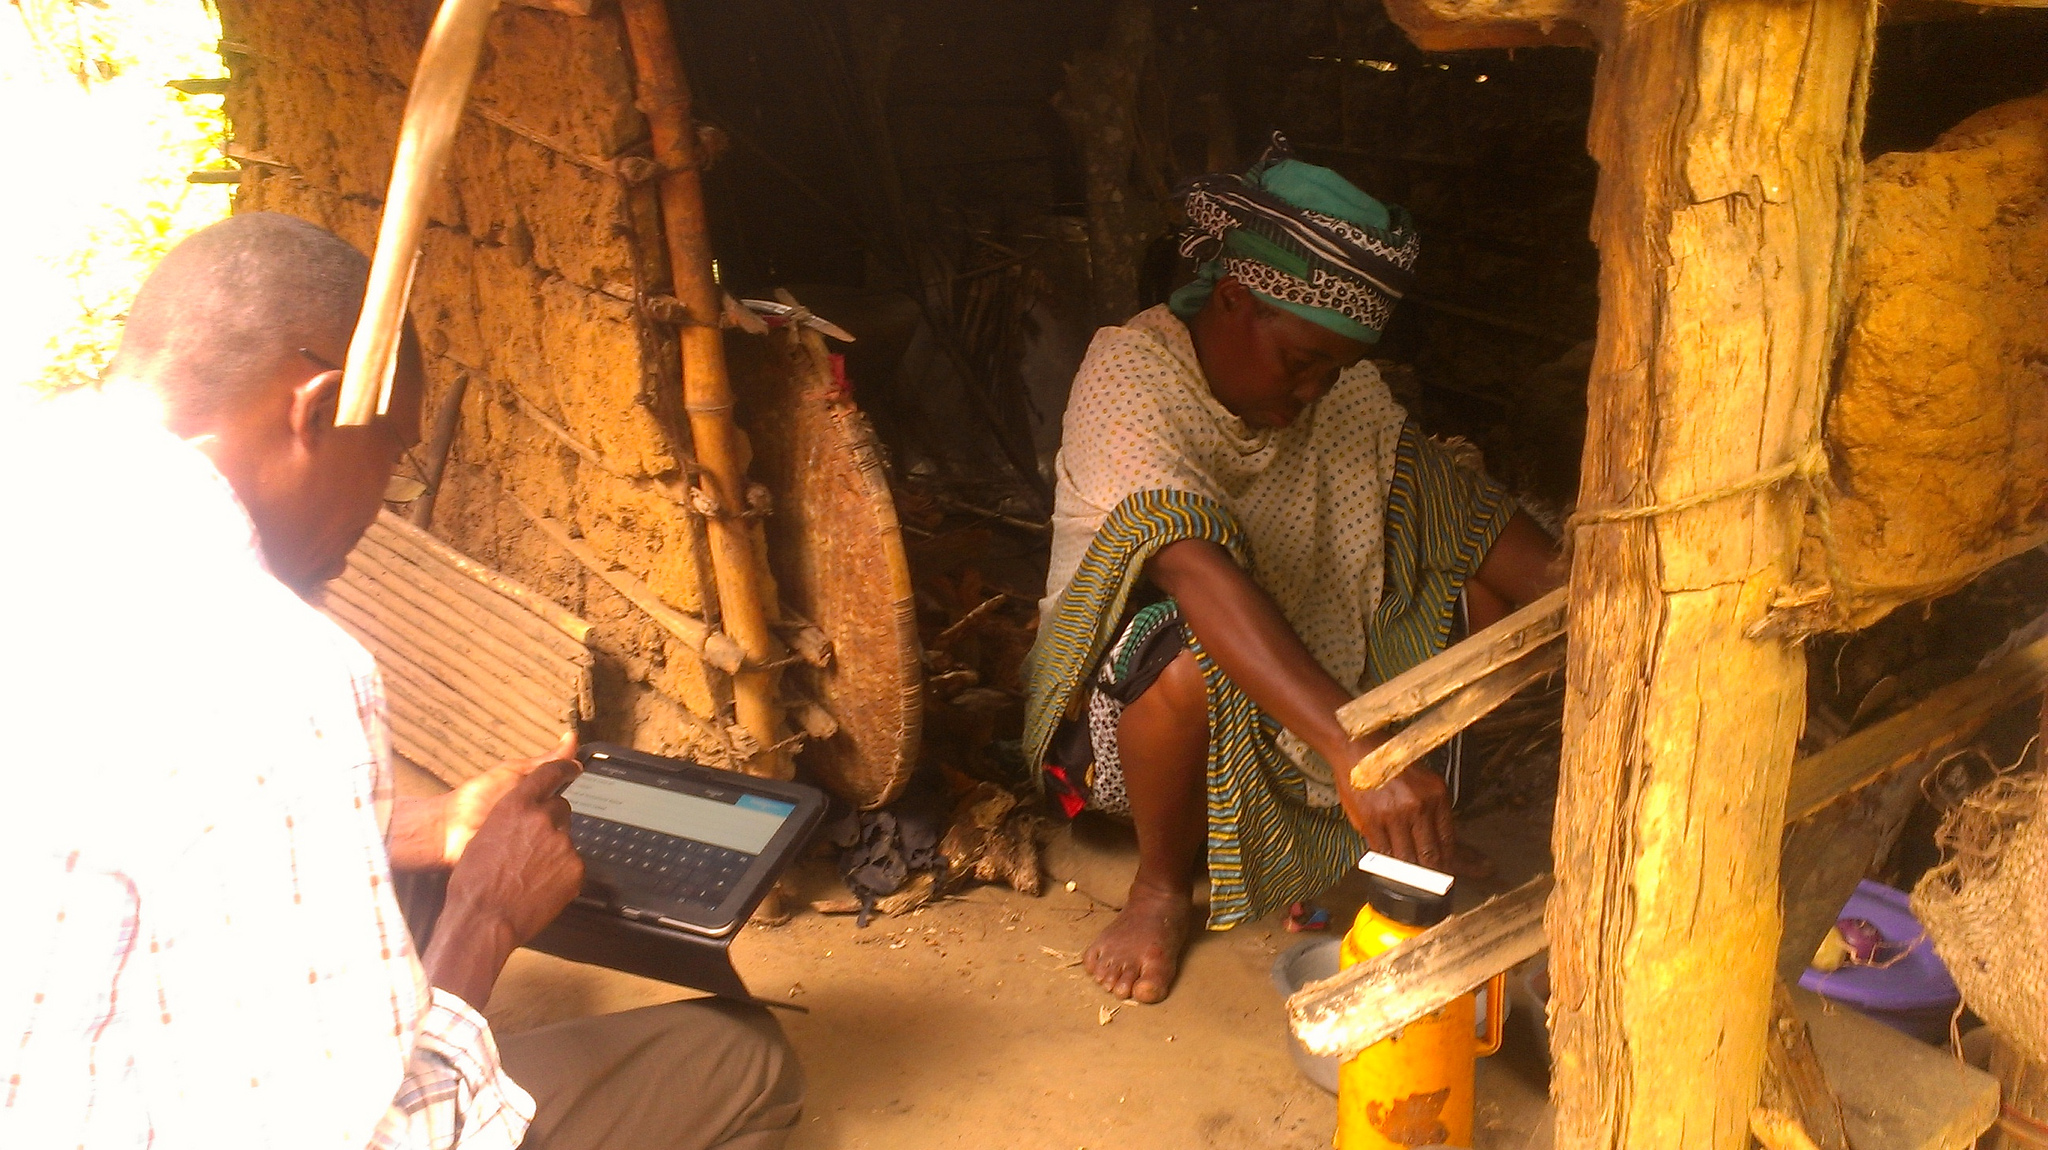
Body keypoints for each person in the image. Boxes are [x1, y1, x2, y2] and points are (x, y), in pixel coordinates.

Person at [0, 213, 802, 1149]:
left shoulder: (39, 494)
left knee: (401, 893)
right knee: (743, 1060)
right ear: (317, 410)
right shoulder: (269, 665)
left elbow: (128, 815)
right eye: (393, 452)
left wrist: (436, 828)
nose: (382, 505)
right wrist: (486, 918)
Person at [1022, 136, 1563, 1005]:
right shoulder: (1127, 374)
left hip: (1305, 692)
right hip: (1126, 723)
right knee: (1193, 657)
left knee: (1473, 592)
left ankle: (1409, 835)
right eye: (1302, 362)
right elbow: (1195, 573)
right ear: (1236, 299)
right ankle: (1162, 886)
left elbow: (1456, 511)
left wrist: (1594, 597)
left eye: (1333, 370)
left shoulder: (1341, 397)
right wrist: (1356, 749)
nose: (1314, 391)